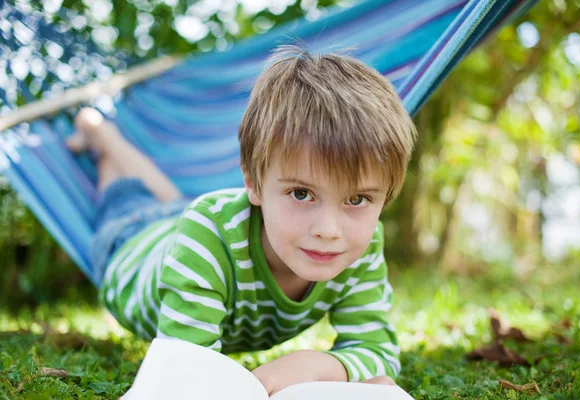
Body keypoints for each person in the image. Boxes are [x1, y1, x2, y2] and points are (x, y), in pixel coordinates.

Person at [67, 45, 417, 396]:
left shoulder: (363, 246)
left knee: (172, 201)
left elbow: (379, 352)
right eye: (301, 193)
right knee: (124, 194)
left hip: (183, 217)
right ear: (252, 183)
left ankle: (103, 136)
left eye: (356, 199)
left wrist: (326, 365)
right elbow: (184, 368)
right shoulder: (208, 233)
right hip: (132, 241)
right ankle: (98, 132)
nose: (328, 230)